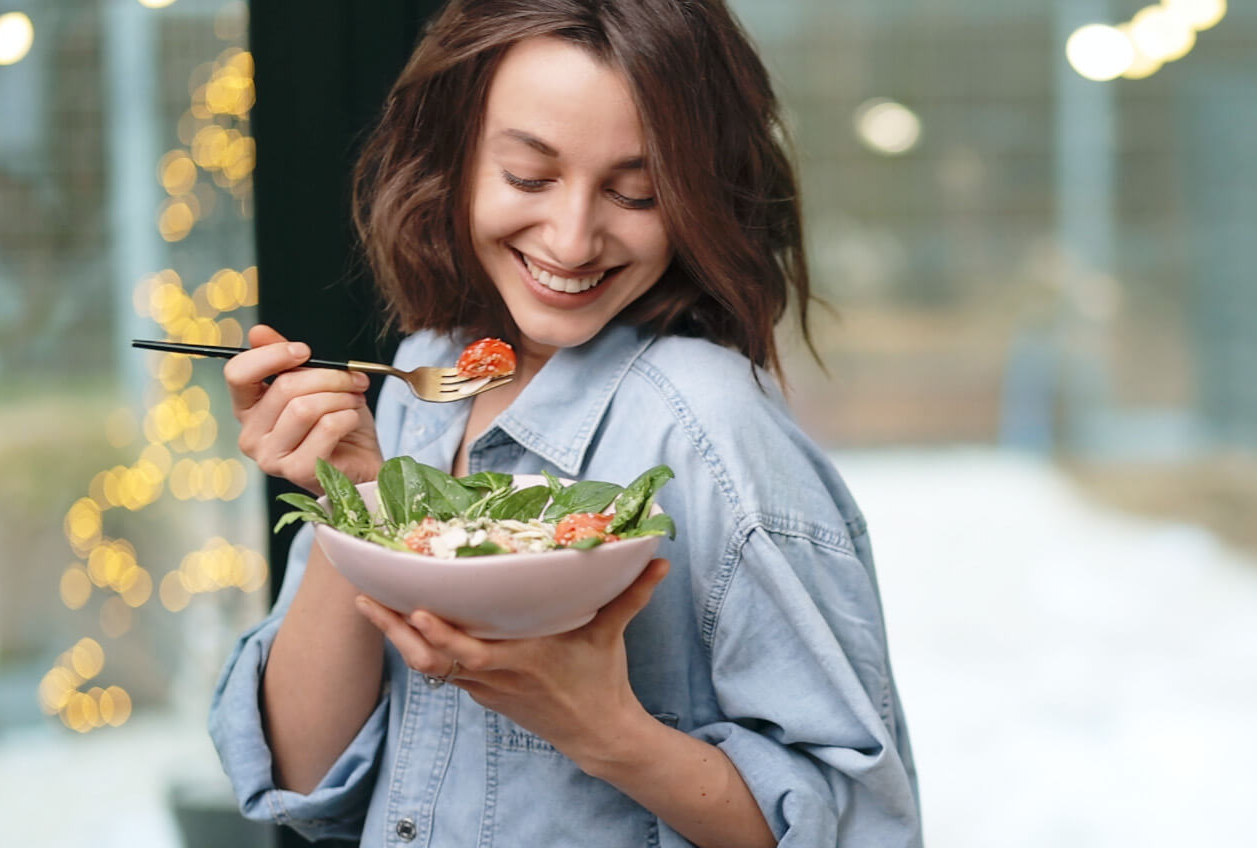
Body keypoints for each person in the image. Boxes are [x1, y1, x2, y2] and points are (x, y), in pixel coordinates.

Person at [208, 1, 921, 845]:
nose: (574, 239)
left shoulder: (711, 432)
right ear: (457, 155)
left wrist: (602, 729)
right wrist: (357, 498)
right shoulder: (422, 376)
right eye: (530, 178)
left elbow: (863, 827)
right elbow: (301, 777)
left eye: (636, 192)